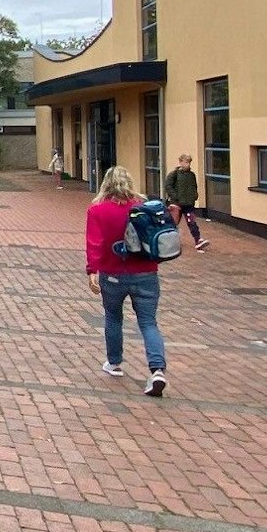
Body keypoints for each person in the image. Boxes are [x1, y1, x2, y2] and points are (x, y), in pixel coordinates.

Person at [86, 166, 168, 396]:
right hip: (146, 273)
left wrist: (92, 270)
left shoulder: (98, 210)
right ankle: (157, 369)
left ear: (106, 183)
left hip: (113, 274)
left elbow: (95, 243)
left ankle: (114, 363)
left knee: (113, 318)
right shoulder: (143, 208)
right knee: (149, 323)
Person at [163, 154, 210, 250]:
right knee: (173, 222)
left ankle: (198, 240)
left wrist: (194, 196)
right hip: (176, 204)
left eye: (188, 162)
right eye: (185, 162)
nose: (187, 164)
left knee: (192, 222)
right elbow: (168, 186)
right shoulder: (174, 174)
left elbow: (194, 186)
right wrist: (175, 197)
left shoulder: (191, 175)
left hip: (188, 204)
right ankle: (167, 241)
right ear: (180, 162)